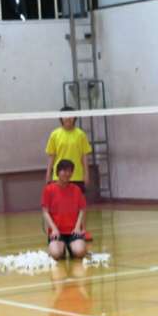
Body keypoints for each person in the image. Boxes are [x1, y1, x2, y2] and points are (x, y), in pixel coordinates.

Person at [45, 107, 92, 241]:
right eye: (65, 116)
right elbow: (52, 157)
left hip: (77, 176)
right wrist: (48, 174)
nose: (68, 118)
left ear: (74, 118)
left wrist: (86, 174)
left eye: (71, 116)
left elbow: (84, 156)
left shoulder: (80, 135)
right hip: (58, 177)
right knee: (58, 205)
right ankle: (56, 230)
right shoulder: (55, 134)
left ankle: (82, 230)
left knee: (81, 205)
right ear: (61, 118)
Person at [42, 159, 87, 260]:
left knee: (80, 252)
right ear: (58, 172)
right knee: (56, 254)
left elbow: (82, 209)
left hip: (73, 231)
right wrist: (53, 229)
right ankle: (60, 248)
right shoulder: (49, 189)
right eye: (64, 170)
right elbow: (45, 211)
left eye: (70, 171)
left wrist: (78, 227)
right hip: (57, 231)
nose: (67, 174)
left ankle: (72, 247)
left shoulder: (76, 189)